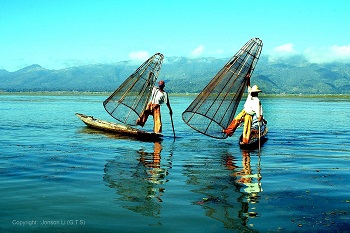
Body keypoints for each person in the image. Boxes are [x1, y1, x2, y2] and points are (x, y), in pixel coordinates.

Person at [223, 74, 264, 144]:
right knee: (236, 121)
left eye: (254, 92)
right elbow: (248, 86)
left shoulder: (257, 101)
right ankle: (229, 131)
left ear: (256, 93)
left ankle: (245, 141)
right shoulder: (250, 93)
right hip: (244, 111)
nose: (252, 93)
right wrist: (248, 79)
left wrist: (259, 117)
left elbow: (258, 110)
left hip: (249, 115)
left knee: (246, 129)